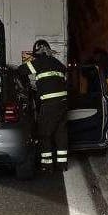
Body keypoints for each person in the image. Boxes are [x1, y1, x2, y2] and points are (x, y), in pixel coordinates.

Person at [19, 39, 69, 172]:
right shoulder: (58, 63)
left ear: (39, 52)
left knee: (44, 134)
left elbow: (21, 70)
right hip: (63, 104)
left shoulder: (39, 62)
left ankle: (47, 165)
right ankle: (62, 164)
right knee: (60, 133)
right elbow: (62, 76)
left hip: (49, 104)